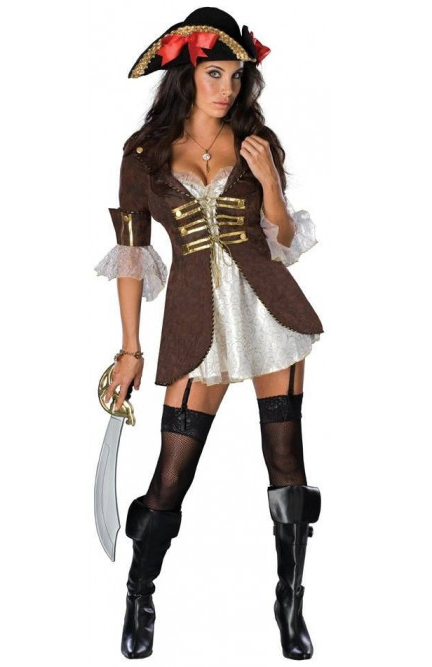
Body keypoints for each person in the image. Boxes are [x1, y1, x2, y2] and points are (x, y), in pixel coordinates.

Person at [94, 7, 323, 661]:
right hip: (197, 321)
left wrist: (270, 183)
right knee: (172, 473)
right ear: (187, 75)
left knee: (287, 463)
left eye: (236, 75)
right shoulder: (143, 155)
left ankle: (290, 601)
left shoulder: (257, 140)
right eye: (213, 73)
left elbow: (282, 240)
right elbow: (132, 257)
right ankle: (140, 593)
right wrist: (130, 349)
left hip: (271, 310)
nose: (226, 87)